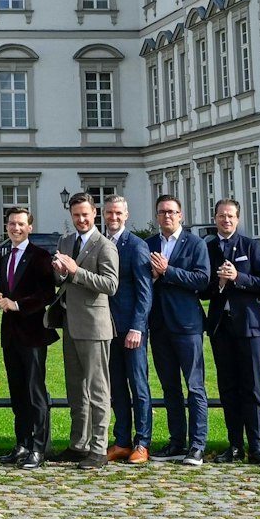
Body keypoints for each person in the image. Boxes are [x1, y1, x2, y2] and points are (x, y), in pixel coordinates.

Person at [51, 194, 119, 470]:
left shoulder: (104, 245)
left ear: (95, 214)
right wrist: (59, 271)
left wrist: (75, 270)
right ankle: (79, 444)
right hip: (70, 320)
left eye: (85, 215)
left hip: (94, 325)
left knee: (97, 389)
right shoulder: (66, 241)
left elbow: (111, 284)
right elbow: (60, 279)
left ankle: (99, 448)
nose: (80, 220)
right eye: (76, 215)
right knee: (75, 388)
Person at [204, 199, 260, 466]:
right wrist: (218, 284)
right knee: (228, 388)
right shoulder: (207, 247)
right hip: (221, 326)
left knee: (251, 387)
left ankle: (256, 447)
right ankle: (234, 446)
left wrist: (238, 278)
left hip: (250, 326)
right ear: (215, 218)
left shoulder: (251, 246)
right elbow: (201, 286)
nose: (226, 220)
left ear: (238, 218)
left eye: (230, 216)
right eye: (221, 216)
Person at [0, 206, 56, 468]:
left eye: (20, 224)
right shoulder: (5, 257)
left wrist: (17, 305)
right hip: (10, 335)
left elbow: (46, 294)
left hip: (33, 333)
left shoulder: (40, 256)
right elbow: (0, 288)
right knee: (17, 393)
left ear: (29, 227)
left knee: (34, 392)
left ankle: (39, 448)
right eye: (11, 224)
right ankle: (22, 444)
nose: (15, 228)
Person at [146, 196, 209, 466]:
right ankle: (176, 441)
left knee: (194, 386)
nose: (167, 217)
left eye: (172, 212)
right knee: (169, 387)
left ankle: (197, 445)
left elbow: (202, 280)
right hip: (159, 324)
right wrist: (152, 276)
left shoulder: (195, 244)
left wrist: (168, 272)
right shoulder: (149, 244)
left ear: (181, 215)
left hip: (187, 325)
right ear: (157, 216)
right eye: (162, 212)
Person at [101, 197, 153, 465]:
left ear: (126, 215)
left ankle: (142, 442)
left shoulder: (136, 246)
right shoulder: (100, 243)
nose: (113, 217)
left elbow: (145, 292)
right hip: (106, 327)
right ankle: (121, 440)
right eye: (109, 212)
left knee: (138, 386)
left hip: (131, 329)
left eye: (118, 213)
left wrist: (137, 327)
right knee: (117, 387)